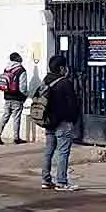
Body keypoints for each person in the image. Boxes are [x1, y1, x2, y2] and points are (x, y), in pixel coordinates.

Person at [40, 54, 81, 191]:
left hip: (49, 121)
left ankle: (46, 179)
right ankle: (61, 181)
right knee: (63, 152)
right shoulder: (65, 83)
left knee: (49, 150)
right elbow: (72, 103)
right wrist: (73, 119)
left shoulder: (46, 80)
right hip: (63, 122)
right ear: (62, 68)